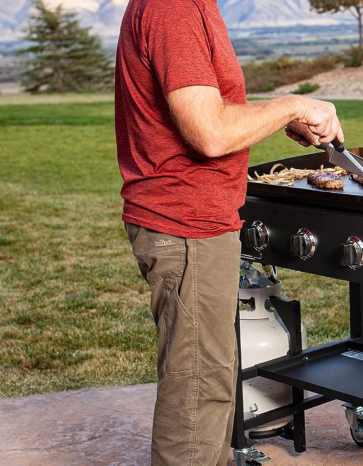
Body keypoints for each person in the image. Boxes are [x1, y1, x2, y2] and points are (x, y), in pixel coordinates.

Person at [114, 0, 342, 464]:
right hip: (185, 225)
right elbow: (211, 134)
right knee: (199, 386)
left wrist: (279, 118)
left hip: (196, 223)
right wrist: (295, 103)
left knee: (211, 380)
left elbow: (207, 108)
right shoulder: (173, 8)